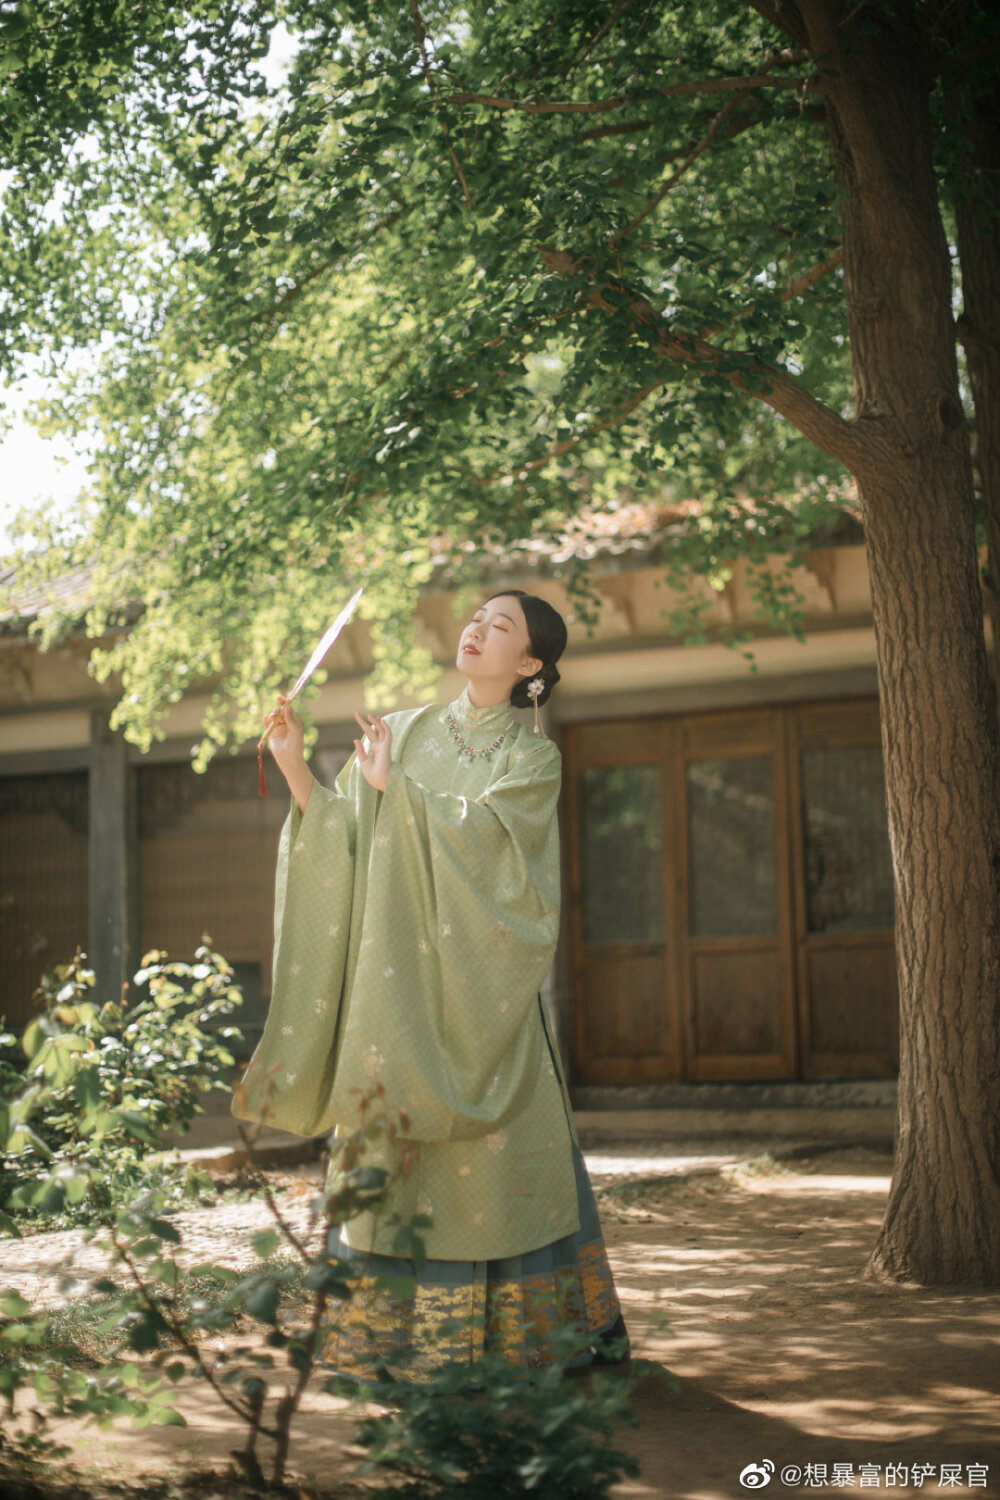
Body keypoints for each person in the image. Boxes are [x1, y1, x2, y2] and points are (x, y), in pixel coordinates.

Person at [232, 590, 629, 1382]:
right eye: (476, 619)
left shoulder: (531, 759)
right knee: (391, 1151)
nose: (477, 631)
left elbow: (501, 865)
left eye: (501, 627)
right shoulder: (404, 731)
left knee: (496, 1162)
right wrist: (294, 762)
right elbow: (343, 841)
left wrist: (398, 795)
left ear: (531, 667)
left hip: (481, 1005)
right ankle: (383, 1349)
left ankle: (521, 1351)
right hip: (394, 996)